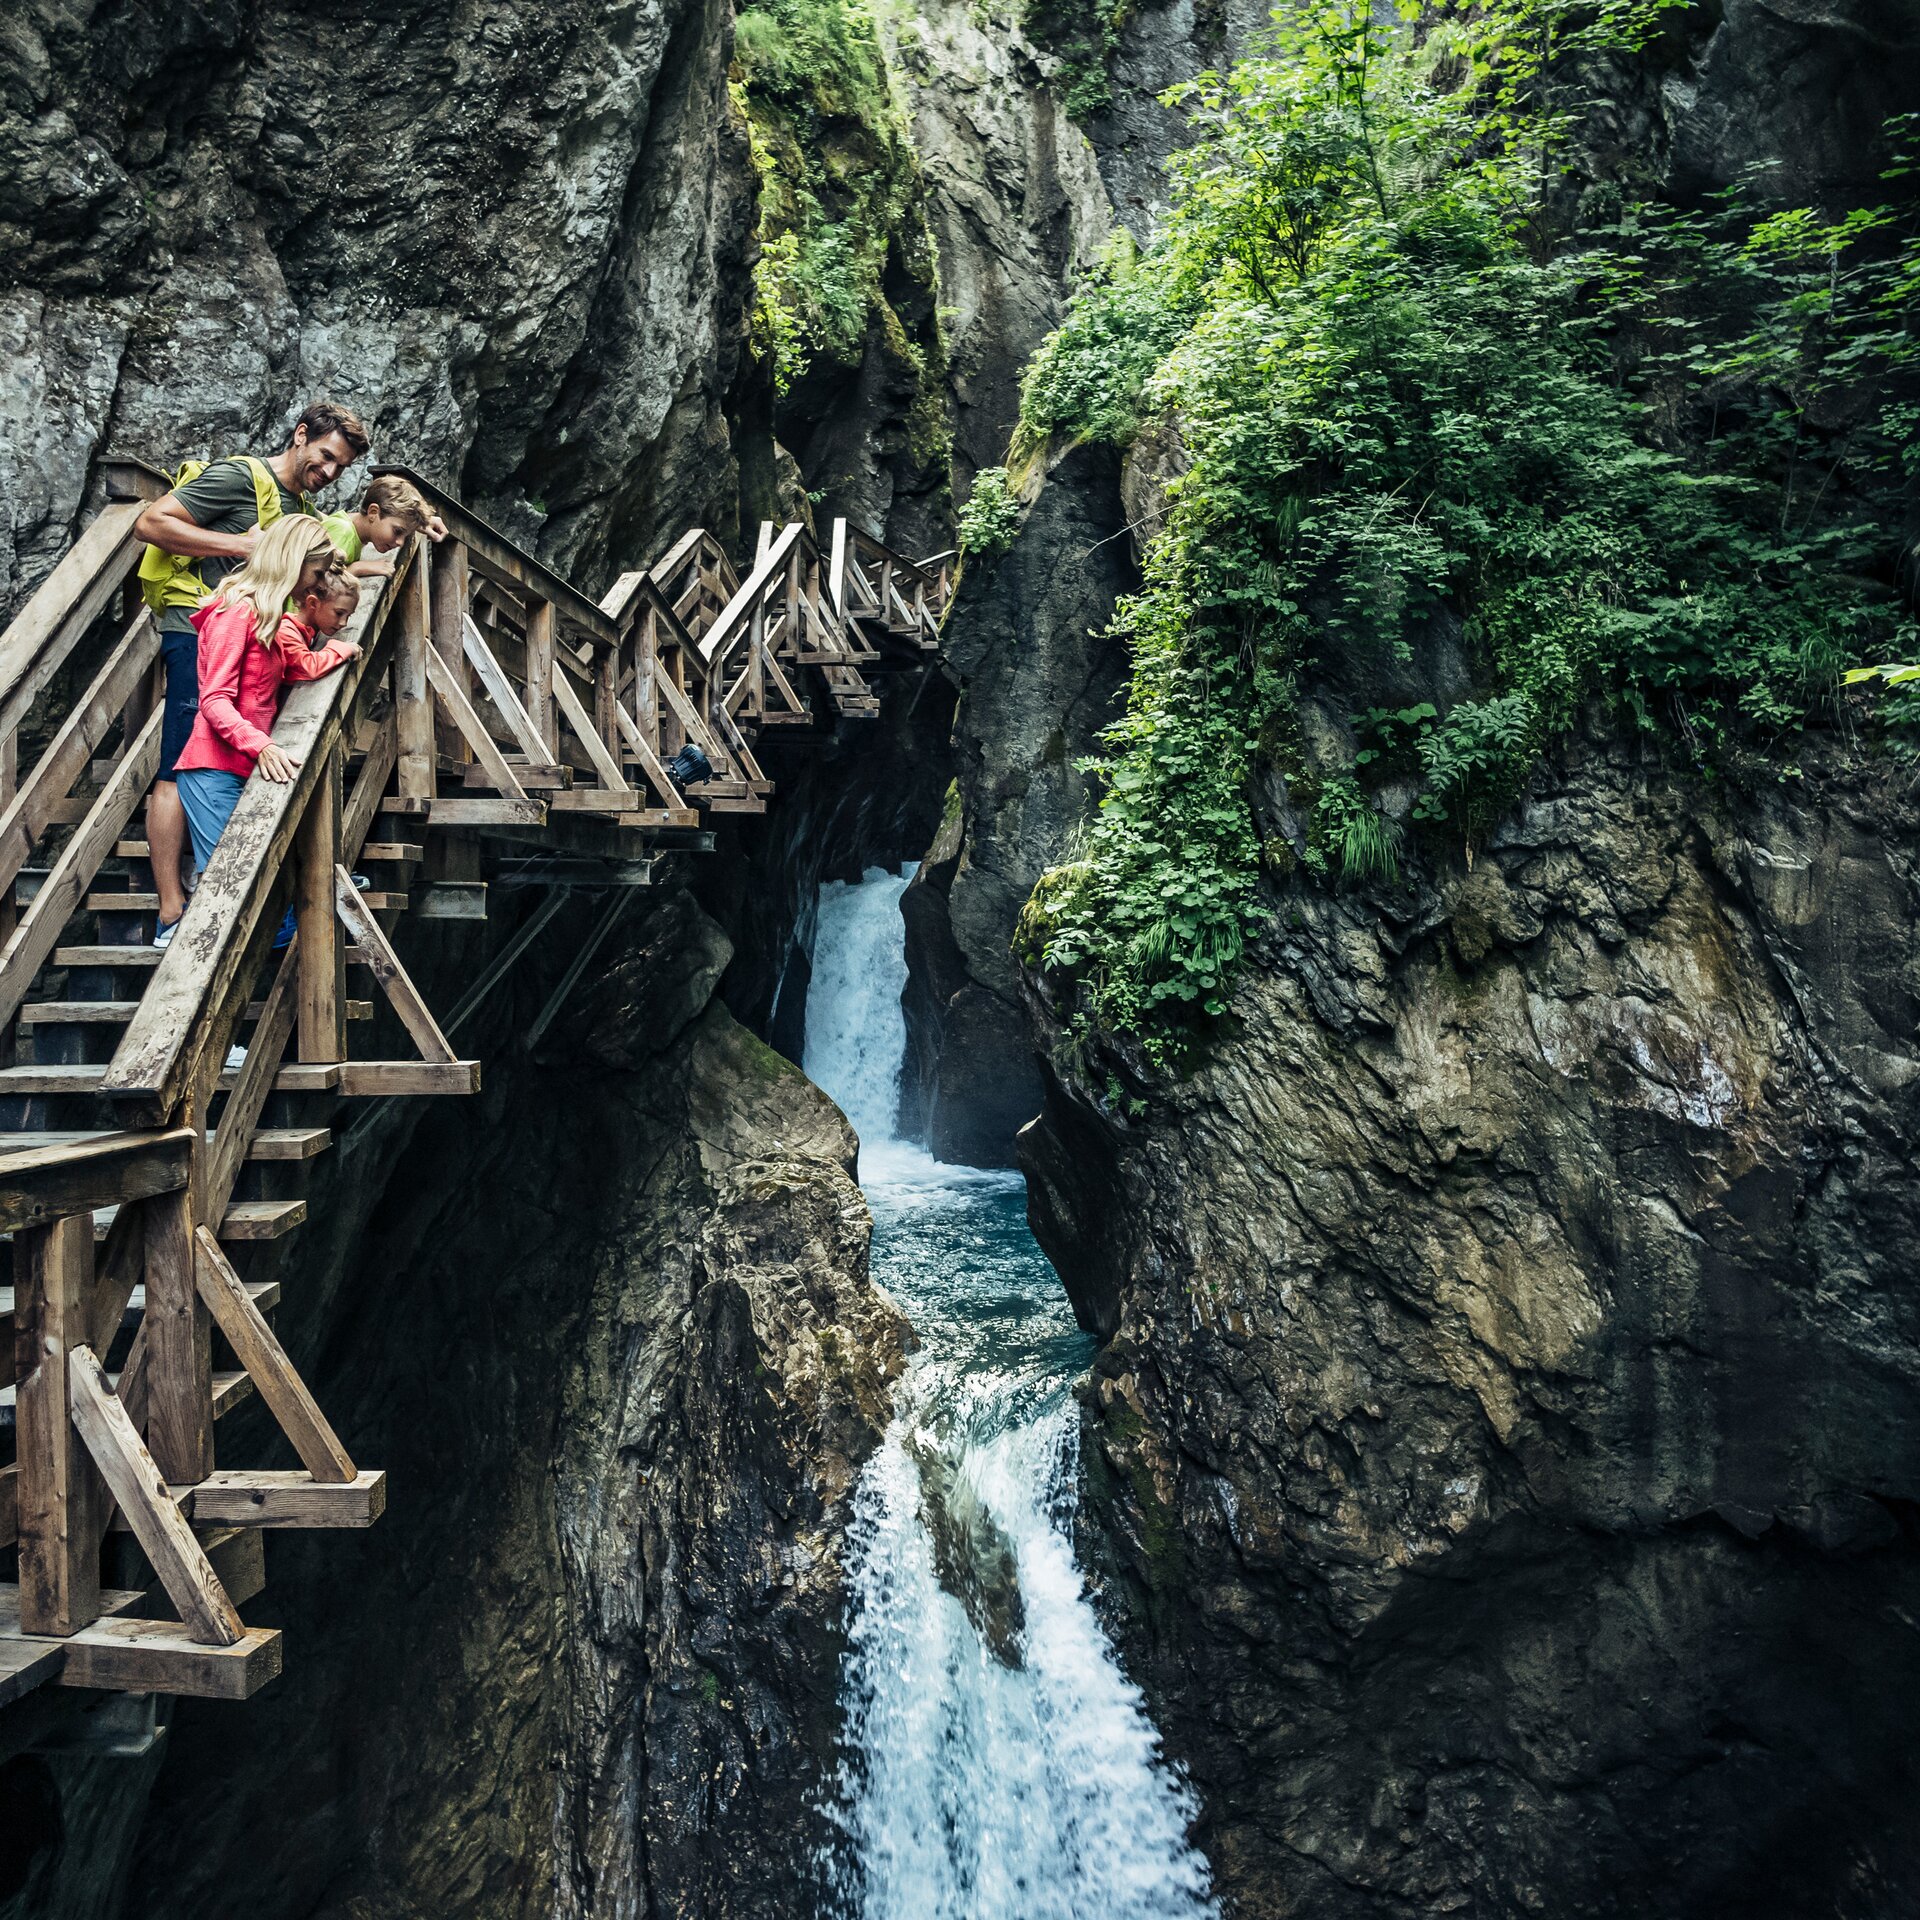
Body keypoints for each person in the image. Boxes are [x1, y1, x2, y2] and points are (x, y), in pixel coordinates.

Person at [133, 399, 371, 947]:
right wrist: (241, 545)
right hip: (199, 629)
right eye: (327, 456)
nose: (330, 472)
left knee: (217, 758)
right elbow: (151, 521)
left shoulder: (300, 507)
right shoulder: (241, 477)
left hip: (251, 636)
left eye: (341, 467)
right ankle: (173, 908)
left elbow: (314, 564)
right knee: (177, 762)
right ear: (300, 434)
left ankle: (248, 894)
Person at [172, 523, 361, 917]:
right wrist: (263, 744)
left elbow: (288, 673)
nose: (318, 582)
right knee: (231, 890)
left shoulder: (267, 617)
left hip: (245, 767)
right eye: (316, 572)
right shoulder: (235, 612)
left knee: (258, 891)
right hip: (213, 768)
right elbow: (214, 700)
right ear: (292, 563)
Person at [321, 472, 437, 577]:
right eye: (397, 531)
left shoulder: (355, 533)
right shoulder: (342, 532)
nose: (400, 543)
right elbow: (319, 585)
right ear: (373, 513)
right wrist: (357, 568)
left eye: (405, 536)